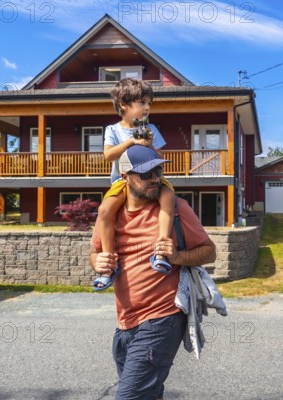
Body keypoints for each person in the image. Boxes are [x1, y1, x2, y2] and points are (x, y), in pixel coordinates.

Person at [90, 145, 217, 400]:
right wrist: (98, 262)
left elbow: (209, 251)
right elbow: (94, 252)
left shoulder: (177, 209)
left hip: (161, 320)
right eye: (146, 174)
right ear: (125, 177)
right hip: (125, 324)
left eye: (158, 171)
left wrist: (176, 256)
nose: (155, 179)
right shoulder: (111, 214)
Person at [94, 78, 176, 291]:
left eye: (149, 102)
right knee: (104, 211)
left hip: (153, 178)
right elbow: (108, 155)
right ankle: (109, 265)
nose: (147, 107)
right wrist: (131, 141)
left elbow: (161, 155)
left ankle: (161, 251)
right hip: (123, 182)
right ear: (124, 104)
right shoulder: (113, 130)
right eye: (141, 102)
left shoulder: (151, 129)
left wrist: (149, 145)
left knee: (169, 198)